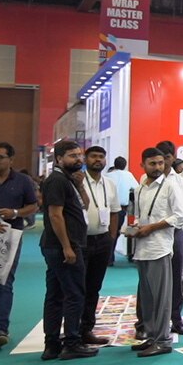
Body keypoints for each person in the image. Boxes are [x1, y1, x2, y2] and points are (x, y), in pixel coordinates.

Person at [0, 142, 39, 348]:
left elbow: (33, 206)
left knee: (5, 280)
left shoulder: (22, 181)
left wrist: (15, 213)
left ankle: (1, 328)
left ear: (11, 160)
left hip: (11, 238)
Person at [39, 140, 97, 361]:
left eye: (79, 155)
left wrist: (80, 185)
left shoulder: (69, 180)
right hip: (63, 246)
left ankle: (52, 344)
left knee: (55, 295)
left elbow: (84, 206)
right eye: (72, 156)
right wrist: (66, 246)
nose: (78, 159)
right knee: (74, 294)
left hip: (61, 245)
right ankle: (72, 343)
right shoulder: (57, 181)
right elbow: (55, 215)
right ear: (59, 159)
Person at [129, 147, 183, 358]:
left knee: (161, 298)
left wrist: (152, 228)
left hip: (160, 248)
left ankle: (162, 340)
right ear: (142, 165)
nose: (157, 167)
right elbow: (140, 216)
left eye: (160, 163)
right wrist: (136, 227)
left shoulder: (171, 186)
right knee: (147, 298)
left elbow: (180, 216)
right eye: (152, 163)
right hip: (141, 248)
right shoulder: (140, 188)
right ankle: (152, 336)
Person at [79, 145, 121, 345]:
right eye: (93, 156)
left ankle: (87, 329)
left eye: (101, 157)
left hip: (102, 240)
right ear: (85, 160)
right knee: (78, 287)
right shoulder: (78, 181)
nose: (98, 160)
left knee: (94, 287)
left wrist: (111, 237)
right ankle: (73, 330)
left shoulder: (109, 184)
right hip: (81, 240)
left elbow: (114, 212)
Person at [157, 141, 183, 335]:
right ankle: (144, 322)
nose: (163, 162)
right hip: (154, 233)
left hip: (175, 231)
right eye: (160, 158)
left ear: (173, 158)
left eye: (167, 157)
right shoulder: (147, 178)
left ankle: (176, 320)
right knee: (150, 278)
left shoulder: (179, 180)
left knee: (176, 276)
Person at [107, 156, 139, 263]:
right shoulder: (128, 175)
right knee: (115, 232)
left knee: (106, 232)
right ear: (125, 165)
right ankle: (110, 257)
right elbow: (136, 188)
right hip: (121, 208)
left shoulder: (107, 175)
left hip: (107, 208)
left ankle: (107, 257)